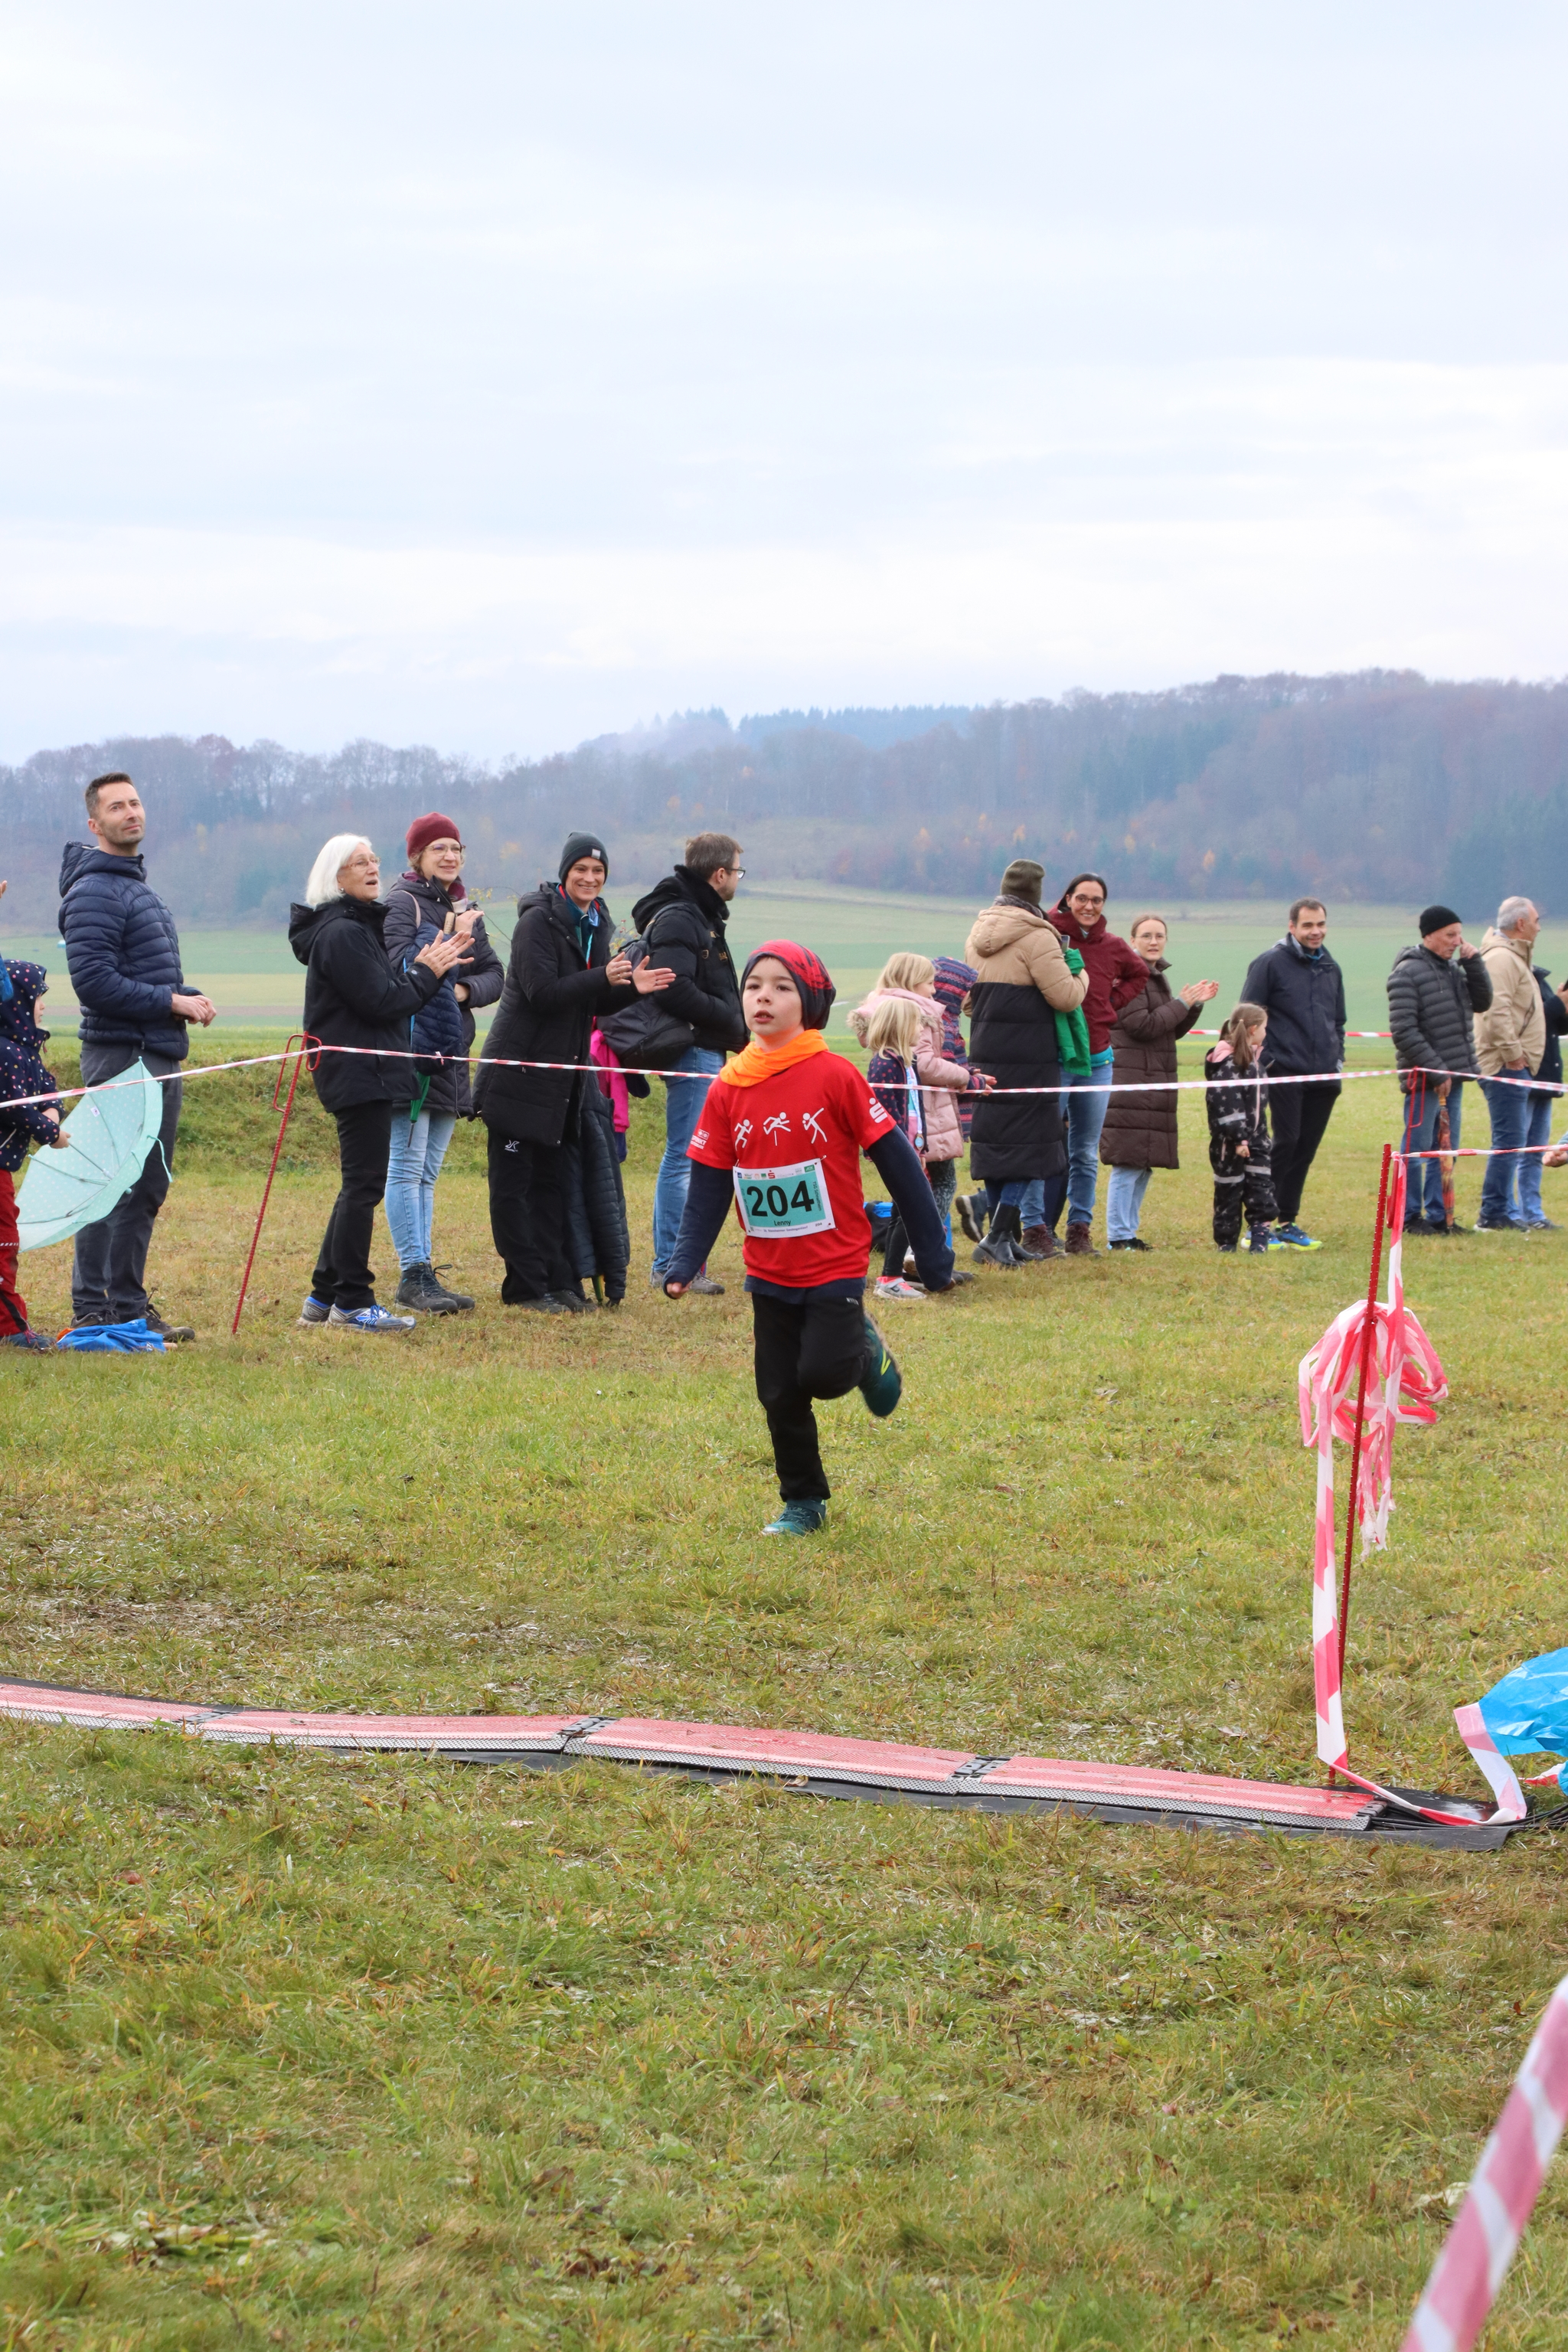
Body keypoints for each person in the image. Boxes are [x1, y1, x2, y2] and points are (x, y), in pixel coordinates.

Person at [662, 939, 955, 1537]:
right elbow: (710, 1183)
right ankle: (803, 1502)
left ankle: (865, 1352)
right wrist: (685, 1261)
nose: (763, 997)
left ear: (810, 1001)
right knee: (778, 1392)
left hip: (834, 1260)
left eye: (781, 987)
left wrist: (932, 1249)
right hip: (768, 1266)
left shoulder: (834, 1075)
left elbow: (899, 1162)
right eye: (753, 986)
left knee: (824, 1373)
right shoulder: (728, 1087)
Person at [474, 832, 673, 1312]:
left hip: (562, 1079)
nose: (589, 878)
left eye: (598, 871)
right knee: (514, 1187)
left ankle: (558, 1282)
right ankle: (524, 1287)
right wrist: (603, 976)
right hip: (518, 1073)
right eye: (581, 869)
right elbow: (542, 992)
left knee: (552, 1185)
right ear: (565, 873)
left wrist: (632, 987)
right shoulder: (536, 923)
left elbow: (591, 1001)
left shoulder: (596, 921)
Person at [289, 835, 470, 1331]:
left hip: (366, 1070)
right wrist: (427, 972)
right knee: (363, 1187)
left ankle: (323, 1297)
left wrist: (422, 973)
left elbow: (386, 993)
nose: (372, 868)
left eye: (373, 860)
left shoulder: (353, 927)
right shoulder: (342, 933)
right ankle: (353, 1301)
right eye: (359, 863)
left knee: (358, 1184)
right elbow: (384, 1001)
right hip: (359, 1071)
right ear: (336, 877)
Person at [58, 772, 216, 1340]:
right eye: (117, 806)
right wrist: (171, 1001)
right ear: (95, 823)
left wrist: (185, 996)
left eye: (135, 802)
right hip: (121, 1055)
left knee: (147, 1184)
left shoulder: (135, 887)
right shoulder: (94, 891)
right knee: (113, 1183)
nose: (131, 812)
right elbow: (94, 982)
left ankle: (127, 1304)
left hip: (157, 1050)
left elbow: (137, 973)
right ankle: (93, 1308)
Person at [381, 814, 505, 1312]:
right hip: (414, 1050)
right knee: (405, 1168)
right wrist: (451, 936)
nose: (451, 856)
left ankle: (424, 1272)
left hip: (453, 1051)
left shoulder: (463, 907)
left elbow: (495, 975)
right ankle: (412, 1273)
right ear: (417, 856)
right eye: (439, 848)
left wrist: (460, 991)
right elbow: (398, 967)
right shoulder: (402, 903)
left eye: (456, 848)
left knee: (428, 1172)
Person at [631, 833, 749, 1294]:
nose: (738, 879)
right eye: (737, 871)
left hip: (704, 1046)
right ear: (719, 874)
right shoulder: (682, 916)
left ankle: (679, 1263)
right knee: (685, 1157)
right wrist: (729, 1018)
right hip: (694, 1048)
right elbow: (673, 986)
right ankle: (670, 1265)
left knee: (690, 1156)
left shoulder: (698, 913)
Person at [962, 859, 1089, 1267]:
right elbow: (1065, 997)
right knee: (1031, 1145)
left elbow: (969, 1002)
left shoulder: (977, 936)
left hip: (986, 1051)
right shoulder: (1038, 937)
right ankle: (998, 1236)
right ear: (1036, 895)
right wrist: (1081, 974)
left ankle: (1001, 1237)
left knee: (997, 1143)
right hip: (1030, 1055)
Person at [849, 955, 984, 1301]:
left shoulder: (903, 1062)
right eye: (914, 1025)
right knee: (905, 1212)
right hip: (902, 1152)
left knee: (903, 1211)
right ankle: (894, 1276)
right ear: (900, 1027)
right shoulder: (886, 1066)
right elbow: (888, 1116)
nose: (919, 1031)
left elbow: (912, 1111)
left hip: (912, 1149)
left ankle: (896, 1274)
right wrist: (908, 1152)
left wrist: (919, 1146)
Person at [1098, 913, 1217, 1250]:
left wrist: (1192, 1006)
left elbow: (1167, 1030)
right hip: (1131, 1080)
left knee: (1142, 1165)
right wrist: (1181, 1003)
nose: (1154, 941)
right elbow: (1142, 1026)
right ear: (1132, 941)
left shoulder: (1154, 977)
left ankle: (1128, 1233)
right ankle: (1118, 1236)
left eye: (1159, 936)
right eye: (1147, 936)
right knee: (1127, 1162)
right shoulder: (1128, 977)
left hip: (1151, 1079)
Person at [1046, 874, 1148, 1254]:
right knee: (1044, 1145)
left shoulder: (1113, 945)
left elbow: (1139, 973)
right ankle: (1035, 1228)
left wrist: (1110, 1003)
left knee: (1085, 1152)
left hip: (1099, 1058)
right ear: (1068, 899)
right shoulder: (1048, 935)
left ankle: (1079, 1230)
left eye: (1097, 900)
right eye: (1082, 898)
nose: (1089, 906)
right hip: (1056, 1056)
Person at [1240, 898, 1346, 1247]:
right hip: (1284, 1071)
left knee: (1305, 1148)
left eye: (1321, 924)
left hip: (1324, 1076)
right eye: (1308, 925)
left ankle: (1287, 1221)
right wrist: (1268, 1061)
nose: (1316, 932)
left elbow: (1338, 1021)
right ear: (1292, 927)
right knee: (1285, 1142)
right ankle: (1259, 1224)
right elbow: (1247, 1017)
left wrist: (1337, 1059)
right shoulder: (1269, 964)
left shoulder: (1330, 966)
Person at [1387, 906, 1493, 1235]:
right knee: (1416, 1149)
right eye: (1450, 935)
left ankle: (1440, 1215)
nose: (1457, 941)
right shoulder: (1407, 973)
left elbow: (1483, 1003)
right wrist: (1436, 1071)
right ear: (1429, 935)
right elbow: (1403, 1030)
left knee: (1446, 1148)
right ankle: (1408, 1216)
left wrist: (1473, 964)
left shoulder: (1453, 970)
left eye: (1459, 934)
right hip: (1424, 1079)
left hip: (1454, 1075)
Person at [0, 883, 67, 1348]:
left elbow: (48, 1088)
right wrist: (50, 1131)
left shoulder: (25, 1050)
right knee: (4, 1241)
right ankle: (9, 1328)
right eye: (37, 995)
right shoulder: (5, 1052)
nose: (43, 1003)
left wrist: (54, 1109)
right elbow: (18, 1106)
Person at [1474, 897, 1547, 1234]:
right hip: (1505, 1065)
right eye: (1536, 920)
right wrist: (1513, 1054)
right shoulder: (1502, 958)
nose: (1539, 927)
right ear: (1521, 924)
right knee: (1509, 1140)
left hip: (1514, 1065)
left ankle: (1499, 1211)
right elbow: (1495, 1011)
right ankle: (1492, 1213)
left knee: (1513, 1140)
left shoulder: (1512, 957)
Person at [1205, 1004, 1278, 1253]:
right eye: (1265, 1027)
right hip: (1230, 1145)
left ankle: (1260, 1241)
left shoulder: (1256, 1063)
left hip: (1257, 1142)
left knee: (1261, 1191)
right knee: (1228, 1193)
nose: (1266, 1032)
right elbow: (1227, 1105)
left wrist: (1256, 1139)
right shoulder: (1229, 1065)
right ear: (1254, 1029)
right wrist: (1240, 1140)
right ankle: (1226, 1244)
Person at [1519, 959, 1568, 1230]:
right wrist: (1557, 1004)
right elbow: (1528, 1023)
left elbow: (1556, 1026)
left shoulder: (1540, 978)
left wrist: (1563, 1007)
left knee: (1535, 1151)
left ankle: (1532, 1213)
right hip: (1521, 1074)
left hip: (1545, 1076)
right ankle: (1506, 1212)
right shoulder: (1511, 977)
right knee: (1515, 1148)